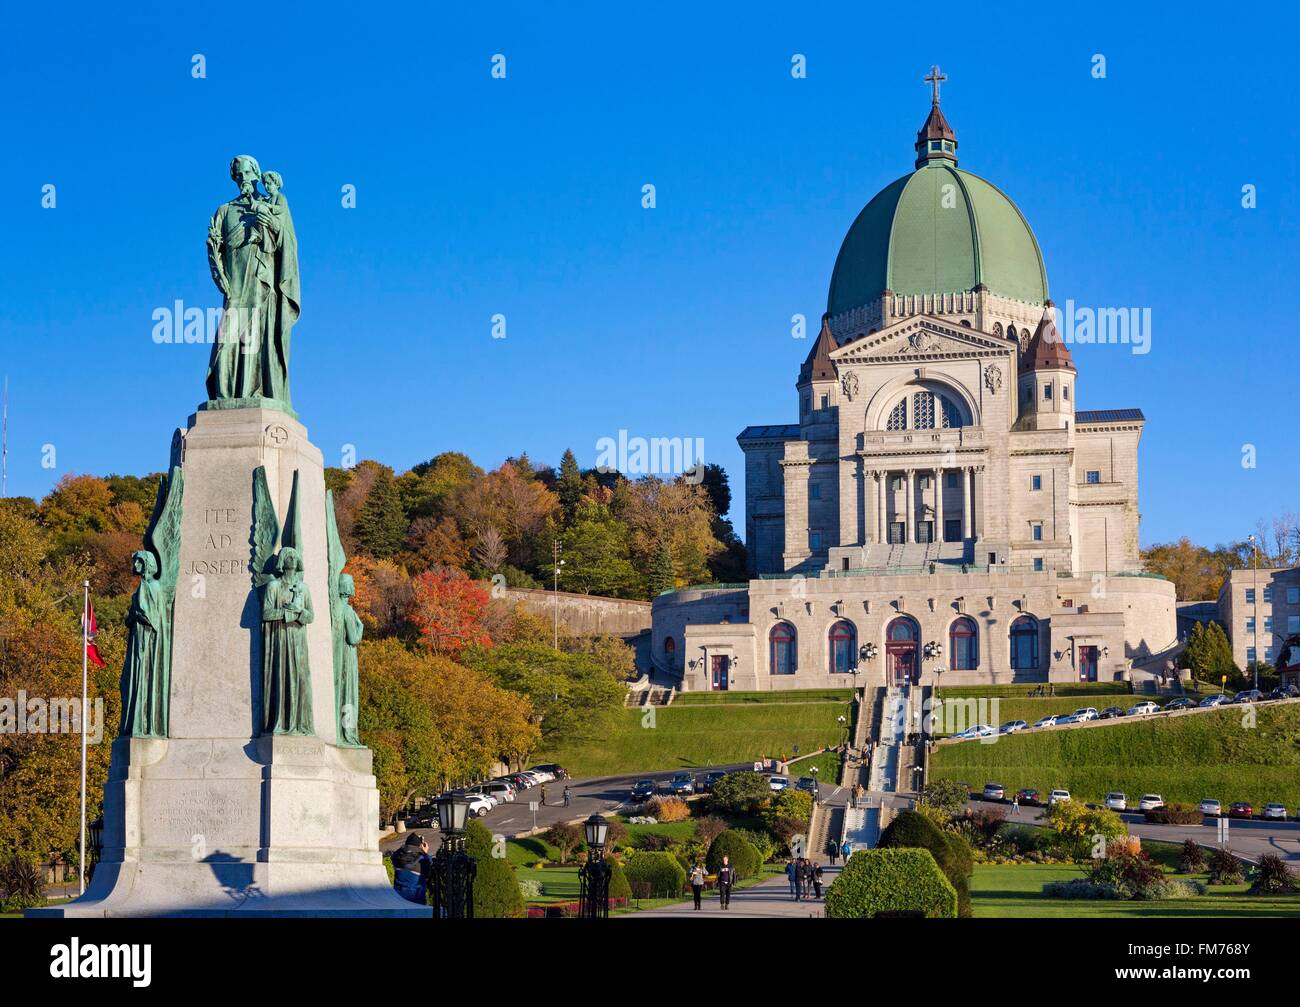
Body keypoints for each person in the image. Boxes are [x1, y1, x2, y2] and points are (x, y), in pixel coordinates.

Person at [390, 832, 432, 905]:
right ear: (420, 845)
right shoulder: (423, 858)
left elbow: (394, 854)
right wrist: (424, 852)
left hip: (398, 896)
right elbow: (429, 870)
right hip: (416, 897)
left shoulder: (397, 856)